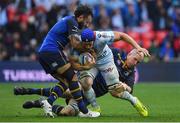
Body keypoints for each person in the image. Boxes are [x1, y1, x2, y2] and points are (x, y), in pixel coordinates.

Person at [14, 48, 148, 117]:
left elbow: (130, 88)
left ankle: (39, 103)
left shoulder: (131, 73)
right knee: (66, 91)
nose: (135, 63)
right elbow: (97, 52)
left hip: (90, 97)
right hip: (85, 82)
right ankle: (27, 90)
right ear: (130, 53)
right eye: (135, 59)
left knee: (67, 113)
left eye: (138, 62)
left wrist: (125, 86)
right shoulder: (115, 53)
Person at [35, 4, 100, 117]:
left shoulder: (70, 22)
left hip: (44, 54)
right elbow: (75, 44)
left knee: (66, 81)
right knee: (73, 77)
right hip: (52, 51)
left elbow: (73, 47)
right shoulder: (72, 22)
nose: (87, 24)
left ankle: (48, 102)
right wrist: (90, 50)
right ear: (80, 17)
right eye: (87, 21)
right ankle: (84, 112)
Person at [69, 28, 150, 117]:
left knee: (115, 91)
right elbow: (73, 65)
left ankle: (134, 101)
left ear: (94, 39)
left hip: (105, 61)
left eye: (90, 44)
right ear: (82, 41)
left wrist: (138, 47)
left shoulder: (101, 36)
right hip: (92, 64)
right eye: (86, 45)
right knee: (85, 84)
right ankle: (95, 107)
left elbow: (122, 35)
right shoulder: (76, 44)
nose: (88, 46)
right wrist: (86, 67)